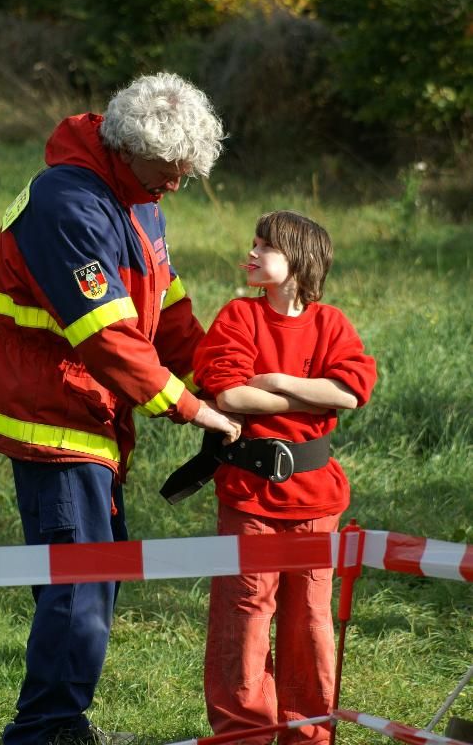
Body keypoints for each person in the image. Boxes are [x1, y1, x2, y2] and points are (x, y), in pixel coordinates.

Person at [0, 72, 241, 745]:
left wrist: (216, 377)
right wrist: (190, 408)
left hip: (89, 409)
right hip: (51, 414)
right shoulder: (67, 204)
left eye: (186, 171)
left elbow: (165, 304)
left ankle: (60, 719)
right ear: (128, 147)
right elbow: (108, 337)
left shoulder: (139, 194)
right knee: (80, 582)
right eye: (169, 170)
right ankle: (45, 730)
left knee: (92, 575)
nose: (178, 183)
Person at [192, 211, 377, 745]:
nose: (251, 253)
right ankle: (244, 734)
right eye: (253, 243)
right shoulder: (239, 316)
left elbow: (350, 392)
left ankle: (308, 734)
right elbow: (229, 393)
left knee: (310, 622)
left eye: (264, 246)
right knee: (245, 617)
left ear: (298, 259)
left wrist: (275, 380)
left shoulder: (330, 324)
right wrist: (311, 394)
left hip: (316, 499)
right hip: (250, 495)